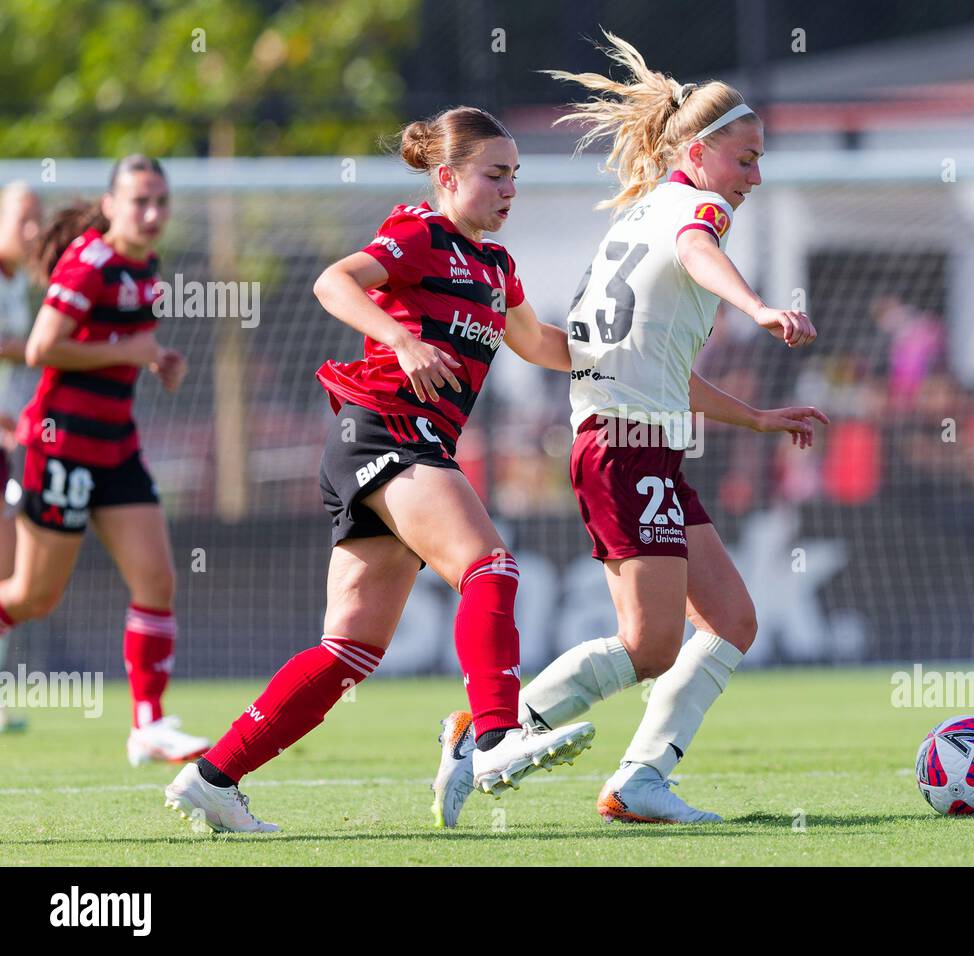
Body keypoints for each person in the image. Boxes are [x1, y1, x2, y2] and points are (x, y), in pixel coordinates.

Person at [431, 32, 827, 826]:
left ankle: (641, 779)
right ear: (704, 151)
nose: (754, 177)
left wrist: (754, 416)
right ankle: (481, 734)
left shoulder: (641, 214)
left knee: (732, 623)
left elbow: (650, 361)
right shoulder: (693, 214)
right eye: (745, 159)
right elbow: (700, 247)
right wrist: (757, 307)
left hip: (634, 443)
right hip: (623, 448)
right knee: (648, 645)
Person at [164, 107, 595, 834]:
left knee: (347, 653)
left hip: (395, 448)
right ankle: (493, 737)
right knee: (489, 567)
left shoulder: (496, 268)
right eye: (495, 174)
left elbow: (542, 346)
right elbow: (334, 283)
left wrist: (625, 350)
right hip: (388, 434)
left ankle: (214, 777)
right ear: (448, 177)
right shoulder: (420, 234)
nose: (509, 189)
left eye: (515, 176)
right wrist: (399, 339)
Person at [0, 157, 207, 762]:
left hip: (116, 444)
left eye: (160, 202)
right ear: (111, 205)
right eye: (139, 201)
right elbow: (42, 348)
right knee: (33, 597)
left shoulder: (147, 266)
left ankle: (149, 723)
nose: (151, 214)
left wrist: (155, 360)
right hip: (62, 444)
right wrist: (132, 346)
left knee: (157, 578)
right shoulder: (89, 261)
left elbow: (110, 346)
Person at [0, 182, 43, 732]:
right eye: (23, 220)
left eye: (38, 220)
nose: (33, 232)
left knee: (10, 568)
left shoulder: (17, 285)